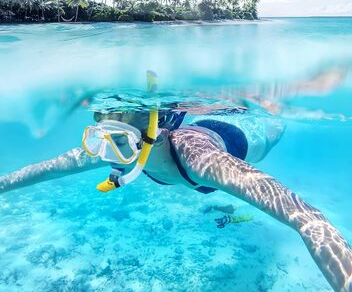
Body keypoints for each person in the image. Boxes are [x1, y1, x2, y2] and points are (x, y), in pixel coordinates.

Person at [0, 105, 351, 292]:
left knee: (273, 131)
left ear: (152, 133)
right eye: (100, 137)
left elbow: (303, 215)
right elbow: (43, 170)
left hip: (244, 136)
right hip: (202, 122)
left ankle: (269, 112)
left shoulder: (201, 160)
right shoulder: (112, 147)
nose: (106, 152)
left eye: (119, 140)